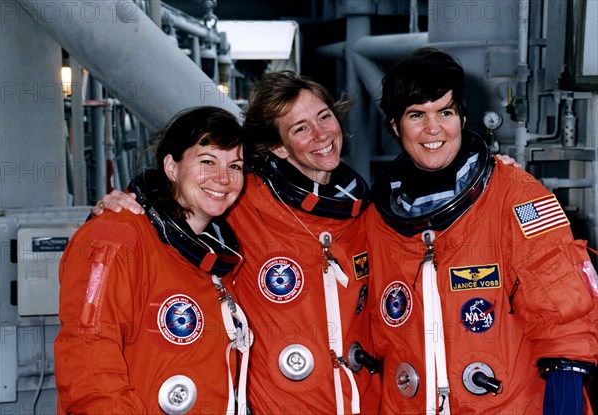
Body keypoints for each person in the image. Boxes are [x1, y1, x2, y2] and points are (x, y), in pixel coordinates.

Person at [91, 71, 381, 414]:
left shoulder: (369, 217)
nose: (321, 135)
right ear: (278, 146)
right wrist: (122, 203)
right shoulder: (242, 202)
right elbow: (179, 200)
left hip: (361, 401)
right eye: (300, 128)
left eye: (324, 116)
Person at [366, 47, 598, 414]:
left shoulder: (517, 197)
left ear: (462, 116)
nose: (433, 129)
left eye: (445, 112)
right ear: (394, 125)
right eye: (416, 115)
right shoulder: (377, 220)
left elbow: (564, 325)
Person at [55, 106, 252, 415]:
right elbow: (88, 362)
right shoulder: (117, 234)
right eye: (207, 162)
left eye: (236, 166)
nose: (223, 178)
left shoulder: (217, 257)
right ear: (171, 167)